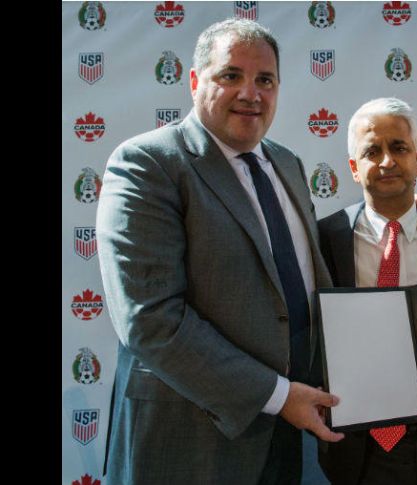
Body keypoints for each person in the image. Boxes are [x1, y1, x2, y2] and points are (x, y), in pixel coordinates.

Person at [96, 18, 344, 485]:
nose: (250, 93)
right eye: (231, 75)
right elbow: (150, 320)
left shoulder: (287, 163)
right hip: (193, 441)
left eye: (265, 80)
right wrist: (276, 394)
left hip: (289, 434)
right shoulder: (149, 163)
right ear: (194, 82)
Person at [316, 98, 417, 485]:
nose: (387, 161)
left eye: (398, 148)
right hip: (356, 443)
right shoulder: (323, 238)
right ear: (354, 168)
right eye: (372, 151)